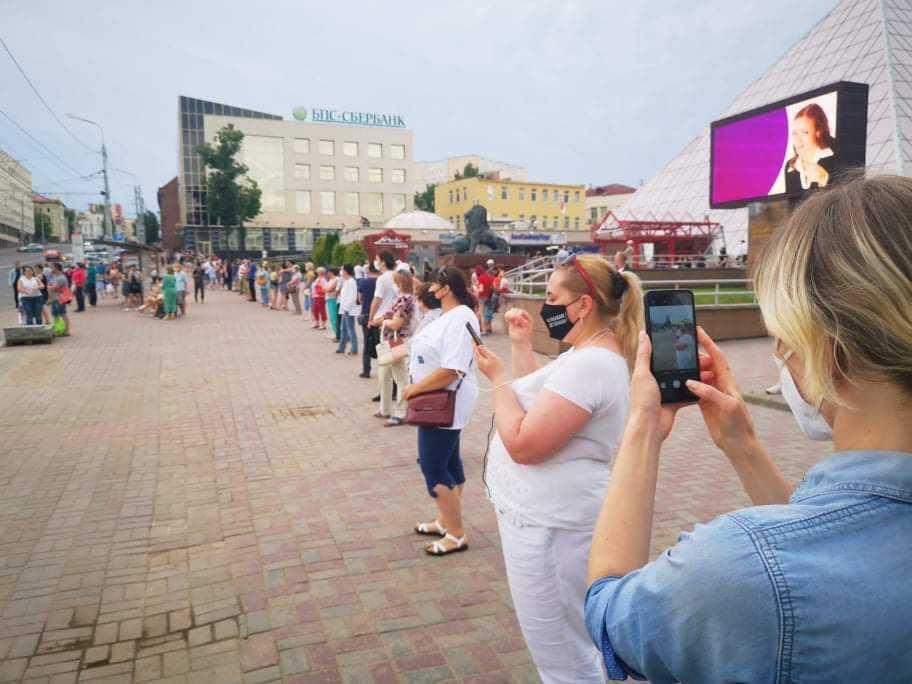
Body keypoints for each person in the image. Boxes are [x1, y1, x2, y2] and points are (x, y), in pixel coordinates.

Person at [585, 174, 912, 682]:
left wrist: (643, 426)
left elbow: (610, 611)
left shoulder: (739, 571)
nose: (779, 354)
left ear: (829, 352)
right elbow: (838, 543)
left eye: (783, 336)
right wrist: (744, 448)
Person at [473, 254, 643, 683]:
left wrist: (495, 379)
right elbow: (545, 403)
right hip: (546, 521)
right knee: (571, 644)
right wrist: (519, 345)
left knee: (563, 657)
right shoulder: (587, 354)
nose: (545, 306)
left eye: (553, 297)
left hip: (550, 530)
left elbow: (526, 443)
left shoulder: (591, 362)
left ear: (583, 305)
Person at [402, 266, 479, 556]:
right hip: (440, 398)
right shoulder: (450, 317)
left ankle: (456, 534)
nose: (429, 288)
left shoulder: (460, 317)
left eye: (434, 284)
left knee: (433, 467)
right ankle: (445, 520)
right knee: (449, 463)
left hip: (443, 400)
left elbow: (452, 369)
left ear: (446, 288)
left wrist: (414, 389)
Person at [377, 270, 416, 426]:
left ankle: (400, 413)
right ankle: (385, 408)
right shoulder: (406, 298)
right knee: (384, 374)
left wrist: (384, 322)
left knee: (400, 377)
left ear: (399, 283)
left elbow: (396, 324)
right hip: (396, 340)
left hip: (397, 341)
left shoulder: (404, 299)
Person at [785, 103, 837, 195]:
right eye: (795, 133)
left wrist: (824, 180)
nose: (798, 139)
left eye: (805, 132)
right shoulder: (790, 168)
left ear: (818, 132)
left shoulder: (836, 158)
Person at [357, 262, 379, 379]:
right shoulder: (382, 282)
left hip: (366, 315)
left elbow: (359, 299)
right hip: (380, 317)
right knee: (380, 344)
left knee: (367, 342)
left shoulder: (363, 282)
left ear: (369, 270)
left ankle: (366, 371)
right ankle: (384, 369)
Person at [336, 264, 359, 356]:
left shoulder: (351, 282)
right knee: (343, 329)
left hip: (348, 309)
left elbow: (352, 296)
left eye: (342, 270)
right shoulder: (346, 281)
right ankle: (341, 347)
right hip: (345, 308)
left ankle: (354, 348)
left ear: (345, 271)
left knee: (350, 329)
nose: (341, 272)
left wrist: (347, 307)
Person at [47, 262, 71, 335]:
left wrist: (48, 287)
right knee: (56, 315)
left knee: (62, 314)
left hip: (59, 299)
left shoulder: (60, 278)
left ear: (56, 268)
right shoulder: (56, 277)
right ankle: (59, 329)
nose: (50, 269)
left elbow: (53, 288)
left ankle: (66, 330)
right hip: (56, 299)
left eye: (52, 267)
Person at [325, 267, 340, 340]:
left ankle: (337, 333)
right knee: (332, 317)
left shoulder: (336, 279)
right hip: (329, 299)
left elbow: (329, 289)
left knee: (334, 317)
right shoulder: (331, 280)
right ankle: (335, 332)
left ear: (331, 272)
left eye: (328, 272)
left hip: (333, 299)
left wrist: (325, 289)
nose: (327, 273)